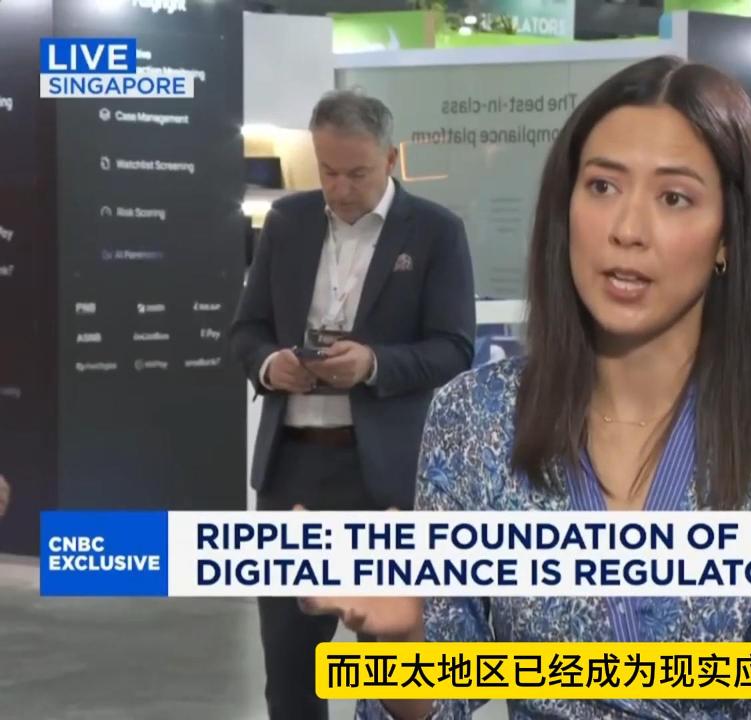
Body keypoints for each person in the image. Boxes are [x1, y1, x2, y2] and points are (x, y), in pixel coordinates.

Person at [306, 56, 751, 720]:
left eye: (674, 198)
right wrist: (400, 642)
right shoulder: (477, 416)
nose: (626, 230)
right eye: (603, 186)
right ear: (567, 207)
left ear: (728, 232)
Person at [229, 89, 476, 720]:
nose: (339, 189)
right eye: (327, 171)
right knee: (290, 675)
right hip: (291, 475)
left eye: (357, 173)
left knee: (393, 676)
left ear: (391, 159)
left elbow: (453, 347)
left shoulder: (436, 232)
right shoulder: (287, 222)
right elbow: (247, 330)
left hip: (383, 480)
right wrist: (271, 365)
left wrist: (373, 364)